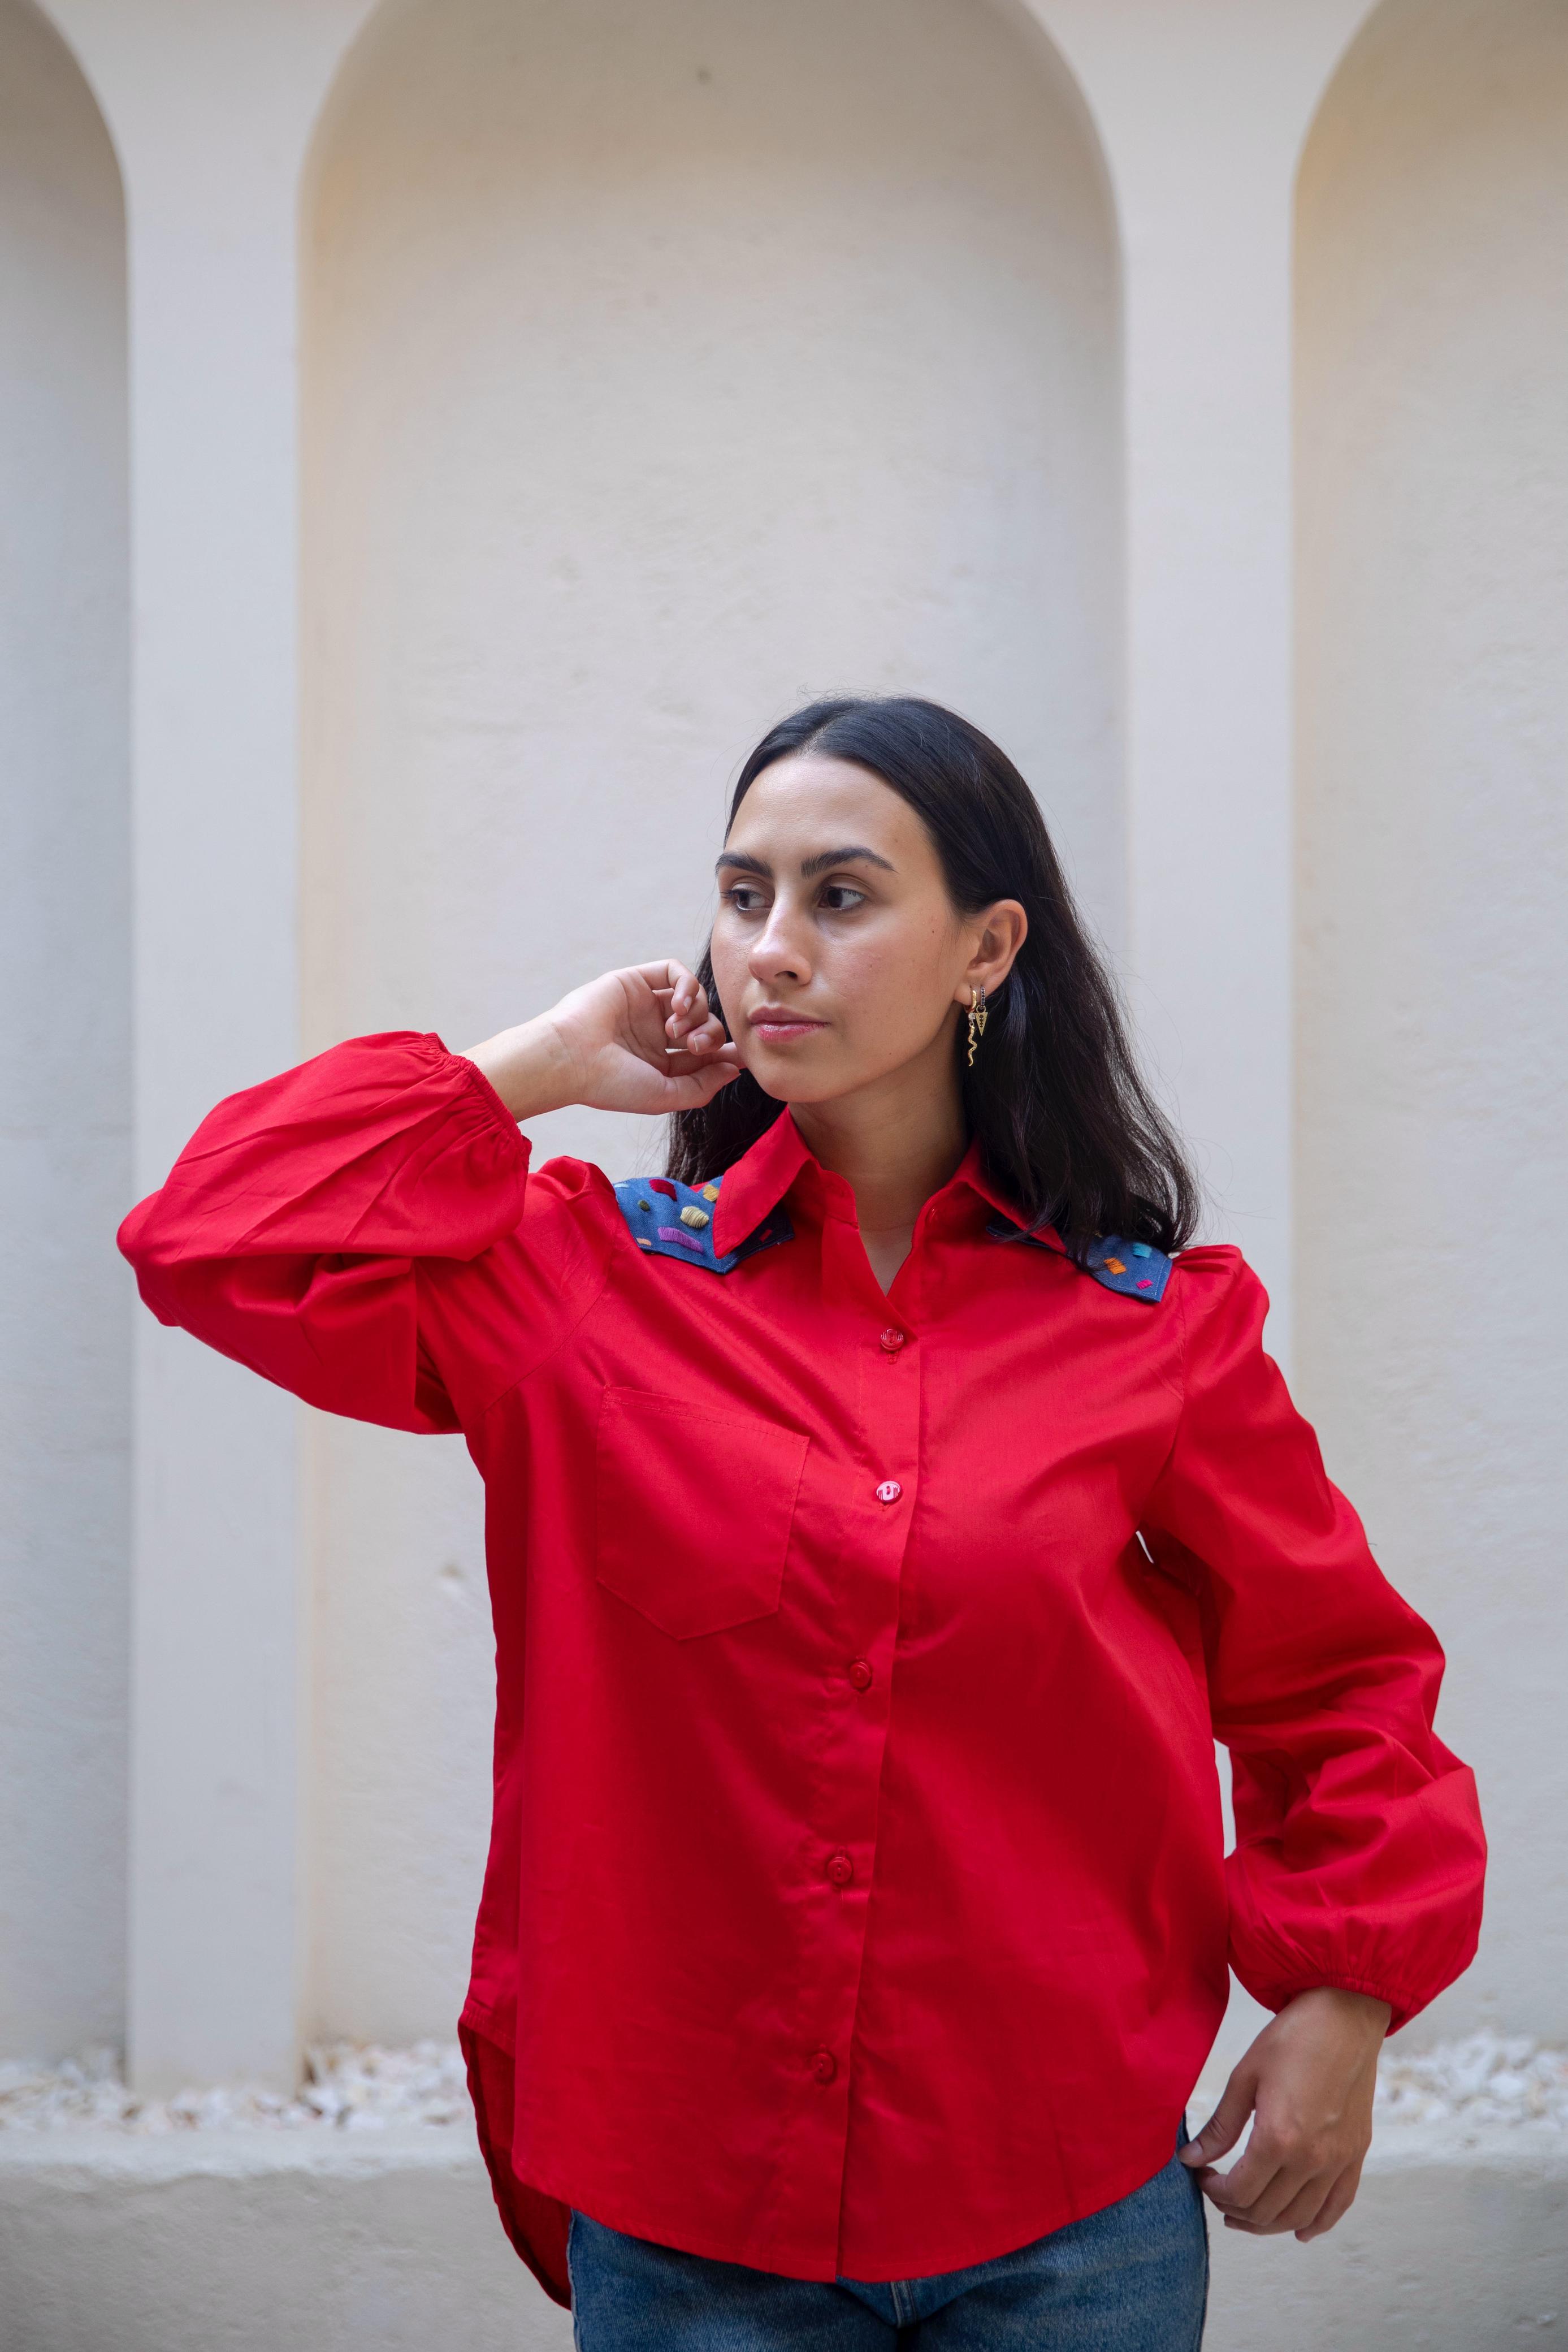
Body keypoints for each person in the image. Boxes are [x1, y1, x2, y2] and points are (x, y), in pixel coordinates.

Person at [119, 697, 1485, 2350]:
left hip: (1066, 2204)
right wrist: (536, 1066)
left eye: (840, 896)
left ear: (987, 949)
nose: (771, 947)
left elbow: (1340, 1684)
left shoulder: (1154, 1331)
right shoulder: (579, 1286)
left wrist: (1344, 1995)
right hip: (690, 2206)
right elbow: (206, 1235)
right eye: (742, 894)